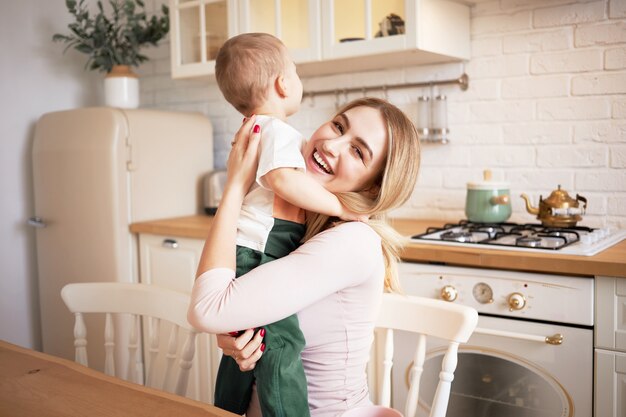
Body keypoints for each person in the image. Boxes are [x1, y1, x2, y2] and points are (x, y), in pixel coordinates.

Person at [188, 97, 421, 417]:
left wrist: (235, 185)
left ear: (372, 189)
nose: (331, 144)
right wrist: (238, 336)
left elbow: (207, 308)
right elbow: (231, 310)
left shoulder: (353, 241)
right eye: (338, 126)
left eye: (357, 151)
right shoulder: (298, 224)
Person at [213, 32, 364, 417]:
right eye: (295, 72)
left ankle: (225, 408)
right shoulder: (276, 130)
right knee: (281, 343)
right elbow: (283, 179)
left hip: (247, 246)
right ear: (283, 83)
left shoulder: (255, 128)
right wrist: (341, 208)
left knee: (252, 338)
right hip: (260, 248)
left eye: (359, 150)